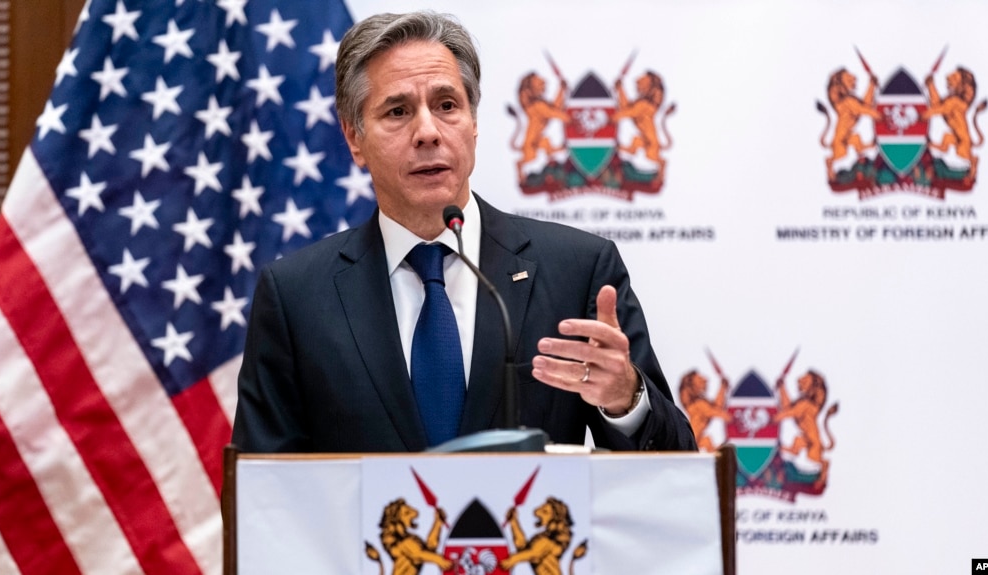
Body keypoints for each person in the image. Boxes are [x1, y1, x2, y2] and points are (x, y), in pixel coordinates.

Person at [231, 10, 695, 453]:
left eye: (447, 105)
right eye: (397, 111)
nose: (428, 132)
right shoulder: (296, 296)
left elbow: (673, 467)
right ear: (355, 138)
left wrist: (626, 400)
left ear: (473, 124)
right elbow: (263, 492)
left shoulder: (577, 270)